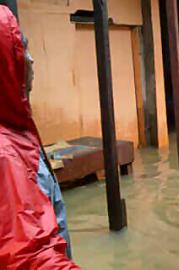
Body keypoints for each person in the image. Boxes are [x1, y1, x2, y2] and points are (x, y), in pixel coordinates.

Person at [0, 5, 79, 268]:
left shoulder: (17, 131)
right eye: (22, 50)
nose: (31, 60)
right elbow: (27, 256)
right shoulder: (5, 155)